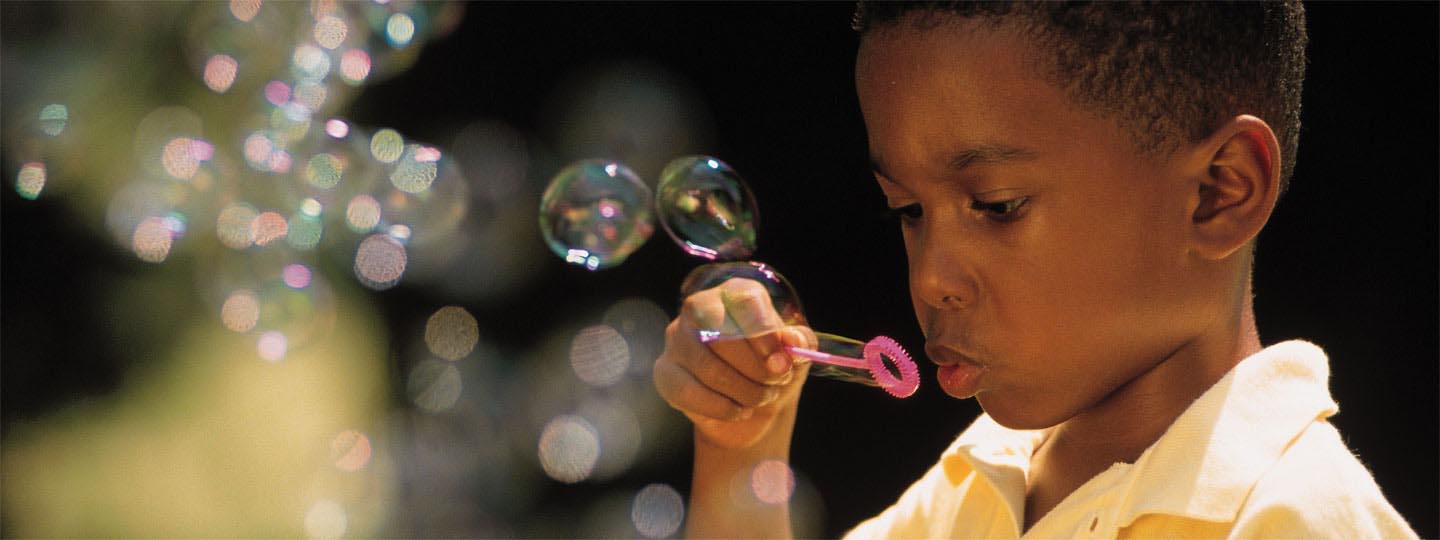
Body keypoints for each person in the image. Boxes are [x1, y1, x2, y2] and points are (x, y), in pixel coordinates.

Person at [652, 1, 1418, 538]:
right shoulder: (978, 482)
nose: (929, 281)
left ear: (1220, 191)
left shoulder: (1296, 520)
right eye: (908, 212)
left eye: (998, 204)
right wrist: (739, 451)